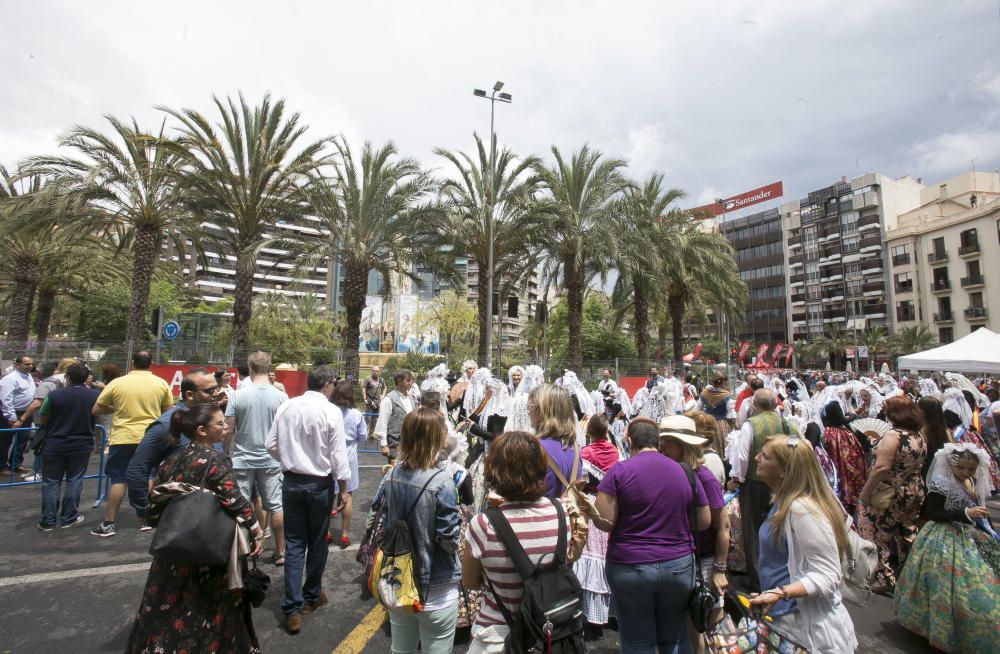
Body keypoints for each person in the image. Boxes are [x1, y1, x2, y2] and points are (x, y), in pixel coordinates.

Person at [125, 402, 264, 654]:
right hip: (207, 547)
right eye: (219, 424)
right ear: (202, 430)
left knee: (167, 604)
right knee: (209, 607)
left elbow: (155, 501)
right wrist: (256, 530)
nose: (224, 427)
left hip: (173, 548)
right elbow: (234, 500)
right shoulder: (215, 460)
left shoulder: (172, 460)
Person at [588, 417, 709, 653]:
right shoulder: (684, 471)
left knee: (637, 641)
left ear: (630, 441)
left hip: (630, 565)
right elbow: (703, 521)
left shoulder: (619, 471)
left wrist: (588, 510)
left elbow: (605, 522)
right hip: (677, 564)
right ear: (658, 442)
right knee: (675, 638)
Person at [747, 435, 858, 653]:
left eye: (766, 457)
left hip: (803, 624)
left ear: (785, 471)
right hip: (784, 616)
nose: (757, 458)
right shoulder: (782, 501)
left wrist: (780, 593)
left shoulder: (801, 509)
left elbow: (828, 574)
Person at [462, 430, 570, 653]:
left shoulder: (483, 525)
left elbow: (470, 582)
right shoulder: (561, 514)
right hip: (549, 635)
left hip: (497, 635)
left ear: (494, 471)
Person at [265, 365, 350, 634]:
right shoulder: (330, 411)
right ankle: (310, 596)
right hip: (318, 484)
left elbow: (271, 445)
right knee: (316, 543)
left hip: (292, 481)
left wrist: (290, 461)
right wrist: (343, 488)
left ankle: (291, 607)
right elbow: (338, 455)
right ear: (326, 385)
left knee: (293, 544)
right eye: (333, 384)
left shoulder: (287, 406)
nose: (334, 388)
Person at [893, 443, 1000, 652]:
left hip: (970, 537)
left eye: (970, 469)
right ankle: (939, 627)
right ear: (951, 464)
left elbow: (981, 513)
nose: (965, 472)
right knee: (941, 586)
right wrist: (966, 514)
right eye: (961, 468)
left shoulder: (971, 481)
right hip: (943, 539)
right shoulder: (941, 484)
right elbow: (932, 512)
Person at [380, 407, 462, 654]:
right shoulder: (442, 482)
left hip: (399, 580)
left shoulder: (392, 475)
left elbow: (383, 521)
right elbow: (448, 539)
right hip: (437, 587)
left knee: (400, 648)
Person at [658, 415, 728, 654]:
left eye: (667, 442)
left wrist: (719, 569)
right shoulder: (675, 474)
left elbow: (723, 526)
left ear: (683, 445)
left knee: (707, 630)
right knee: (691, 629)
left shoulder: (703, 477)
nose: (662, 447)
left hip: (705, 561)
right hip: (685, 560)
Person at [91, 351, 173, 538]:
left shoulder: (117, 383)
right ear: (151, 363)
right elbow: (168, 411)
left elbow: (96, 409)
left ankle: (109, 522)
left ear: (132, 363)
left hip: (123, 437)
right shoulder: (160, 383)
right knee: (148, 475)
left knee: (118, 478)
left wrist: (116, 408)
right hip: (149, 436)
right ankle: (146, 519)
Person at [125, 369, 220, 526]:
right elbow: (137, 470)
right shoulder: (165, 425)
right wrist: (145, 509)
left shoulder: (211, 418)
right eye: (210, 390)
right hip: (180, 517)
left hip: (211, 512)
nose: (216, 393)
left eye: (216, 388)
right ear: (190, 395)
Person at [728, 388, 799, 591]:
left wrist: (737, 479)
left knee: (754, 529)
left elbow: (742, 455)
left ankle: (757, 579)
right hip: (783, 482)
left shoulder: (751, 425)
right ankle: (784, 574)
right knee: (782, 527)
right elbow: (800, 446)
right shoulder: (787, 424)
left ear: (755, 406)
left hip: (755, 482)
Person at [857, 396, 927, 593]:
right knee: (907, 532)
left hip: (890, 491)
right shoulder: (918, 436)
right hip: (913, 488)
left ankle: (884, 577)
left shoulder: (893, 435)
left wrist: (866, 492)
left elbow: (881, 467)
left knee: (878, 532)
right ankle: (910, 575)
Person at [226, 351, 289, 565]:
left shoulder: (237, 395)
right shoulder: (280, 396)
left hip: (243, 458)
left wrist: (226, 452)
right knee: (276, 506)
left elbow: (228, 429)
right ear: (269, 368)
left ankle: (245, 548)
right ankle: (280, 551)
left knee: (242, 505)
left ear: (250, 368)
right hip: (271, 459)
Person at [36, 363, 99, 531]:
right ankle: (68, 517)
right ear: (86, 378)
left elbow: (43, 417)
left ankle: (47, 521)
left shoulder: (54, 395)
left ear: (67, 377)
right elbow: (98, 415)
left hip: (54, 443)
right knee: (75, 480)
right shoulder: (94, 395)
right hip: (81, 444)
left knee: (50, 482)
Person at [574, 414, 620, 634]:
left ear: (590, 431)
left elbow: (580, 483)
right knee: (605, 552)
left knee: (590, 550)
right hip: (611, 503)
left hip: (591, 502)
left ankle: (588, 612)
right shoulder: (614, 451)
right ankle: (609, 610)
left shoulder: (585, 453)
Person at [528, 384, 582, 498]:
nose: (528, 411)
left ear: (542, 411)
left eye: (530, 406)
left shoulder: (534, 449)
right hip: (564, 515)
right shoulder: (574, 448)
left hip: (540, 514)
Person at [330, 379, 365, 548]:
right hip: (349, 454)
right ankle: (344, 534)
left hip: (330, 454)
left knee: (329, 494)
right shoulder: (356, 414)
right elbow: (363, 436)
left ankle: (327, 532)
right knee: (348, 494)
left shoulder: (329, 411)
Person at [820, 401, 867, 513]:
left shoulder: (826, 406)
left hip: (830, 434)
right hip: (838, 436)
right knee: (846, 463)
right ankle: (849, 493)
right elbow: (842, 420)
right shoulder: (835, 404)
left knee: (836, 464)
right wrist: (854, 415)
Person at [0, 354, 37, 474]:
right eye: (27, 364)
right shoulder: (10, 379)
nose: (30, 366)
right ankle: (2, 466)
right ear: (17, 365)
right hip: (12, 412)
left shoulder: (29, 376)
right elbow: (6, 399)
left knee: (23, 439)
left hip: (26, 412)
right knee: (5, 440)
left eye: (31, 364)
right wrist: (11, 416)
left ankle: (15, 464)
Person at [374, 369, 415, 463]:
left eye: (411, 380)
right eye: (408, 380)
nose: (411, 383)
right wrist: (383, 444)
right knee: (394, 470)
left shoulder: (411, 398)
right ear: (399, 381)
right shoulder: (389, 399)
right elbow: (382, 422)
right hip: (395, 442)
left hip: (410, 442)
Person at [695, 373, 735, 455]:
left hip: (708, 422)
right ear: (722, 383)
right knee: (723, 444)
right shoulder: (726, 395)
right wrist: (732, 424)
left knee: (707, 443)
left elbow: (697, 409)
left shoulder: (705, 393)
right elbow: (731, 414)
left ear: (712, 382)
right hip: (721, 423)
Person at [916, 396, 952, 479]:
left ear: (922, 411)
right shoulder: (946, 431)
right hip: (941, 472)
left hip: (924, 471)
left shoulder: (921, 431)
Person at [363, 366, 386, 432]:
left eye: (377, 371)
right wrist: (365, 399)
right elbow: (363, 388)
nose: (375, 372)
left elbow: (385, 388)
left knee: (375, 418)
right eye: (374, 371)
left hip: (378, 402)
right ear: (371, 371)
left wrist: (383, 395)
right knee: (368, 418)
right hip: (369, 401)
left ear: (379, 372)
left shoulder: (381, 379)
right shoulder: (367, 379)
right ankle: (364, 434)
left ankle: (371, 433)